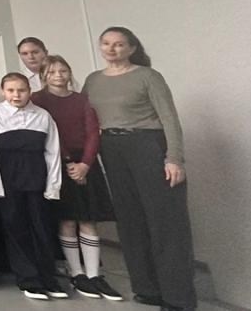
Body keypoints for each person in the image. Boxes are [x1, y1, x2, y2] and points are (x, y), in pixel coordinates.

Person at [83, 27, 194, 310]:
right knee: (130, 220)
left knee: (165, 222)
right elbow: (84, 117)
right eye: (106, 43)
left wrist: (174, 158)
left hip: (147, 145)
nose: (112, 49)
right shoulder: (93, 80)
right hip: (111, 149)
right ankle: (146, 288)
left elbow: (169, 118)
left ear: (132, 48)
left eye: (119, 44)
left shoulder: (148, 76)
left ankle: (178, 297)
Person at [30, 55, 121, 301]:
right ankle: (76, 272)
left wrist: (85, 164)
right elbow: (48, 131)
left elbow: (93, 132)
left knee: (88, 219)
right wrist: (69, 162)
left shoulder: (82, 99)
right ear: (43, 75)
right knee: (67, 219)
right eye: (52, 72)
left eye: (63, 71)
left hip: (86, 163)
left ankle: (94, 274)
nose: (58, 76)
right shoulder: (38, 99)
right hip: (57, 161)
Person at [0, 73, 67, 300]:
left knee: (42, 228)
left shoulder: (43, 116)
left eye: (21, 90)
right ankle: (28, 279)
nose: (16, 95)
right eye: (11, 90)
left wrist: (53, 185)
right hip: (9, 181)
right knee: (16, 229)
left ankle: (48, 278)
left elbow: (52, 152)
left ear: (29, 91)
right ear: (3, 91)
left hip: (37, 180)